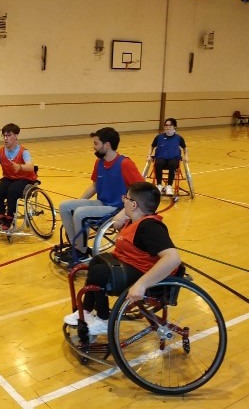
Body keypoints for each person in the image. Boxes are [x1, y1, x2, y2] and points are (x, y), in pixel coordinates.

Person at [63, 181, 181, 336]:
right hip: (131, 264)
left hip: (146, 275)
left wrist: (141, 285)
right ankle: (85, 310)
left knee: (100, 272)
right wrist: (120, 216)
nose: (123, 199)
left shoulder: (150, 227)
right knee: (96, 262)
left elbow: (173, 258)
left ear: (133, 205)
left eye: (126, 197)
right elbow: (123, 218)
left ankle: (103, 319)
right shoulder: (135, 219)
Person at [57, 127, 143, 264]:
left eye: (96, 144)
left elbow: (142, 190)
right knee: (65, 206)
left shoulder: (125, 164)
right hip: (102, 203)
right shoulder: (100, 162)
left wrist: (125, 213)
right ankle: (77, 246)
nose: (94, 147)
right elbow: (94, 186)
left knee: (80, 213)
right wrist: (80, 201)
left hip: (116, 208)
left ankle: (82, 253)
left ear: (107, 145)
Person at [0, 123, 37, 231]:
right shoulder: (0, 152)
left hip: (24, 178)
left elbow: (31, 167)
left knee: (12, 190)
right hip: (9, 178)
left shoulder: (24, 152)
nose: (5, 138)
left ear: (16, 136)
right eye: (4, 136)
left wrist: (20, 167)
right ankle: (0, 216)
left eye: (8, 135)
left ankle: (9, 217)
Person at [147, 118, 188, 196]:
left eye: (170, 125)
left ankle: (169, 186)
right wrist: (149, 155)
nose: (168, 127)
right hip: (161, 158)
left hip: (173, 159)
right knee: (158, 163)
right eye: (166, 125)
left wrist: (186, 156)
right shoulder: (159, 137)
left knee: (172, 164)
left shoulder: (178, 138)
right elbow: (152, 147)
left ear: (174, 126)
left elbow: (184, 148)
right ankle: (159, 185)